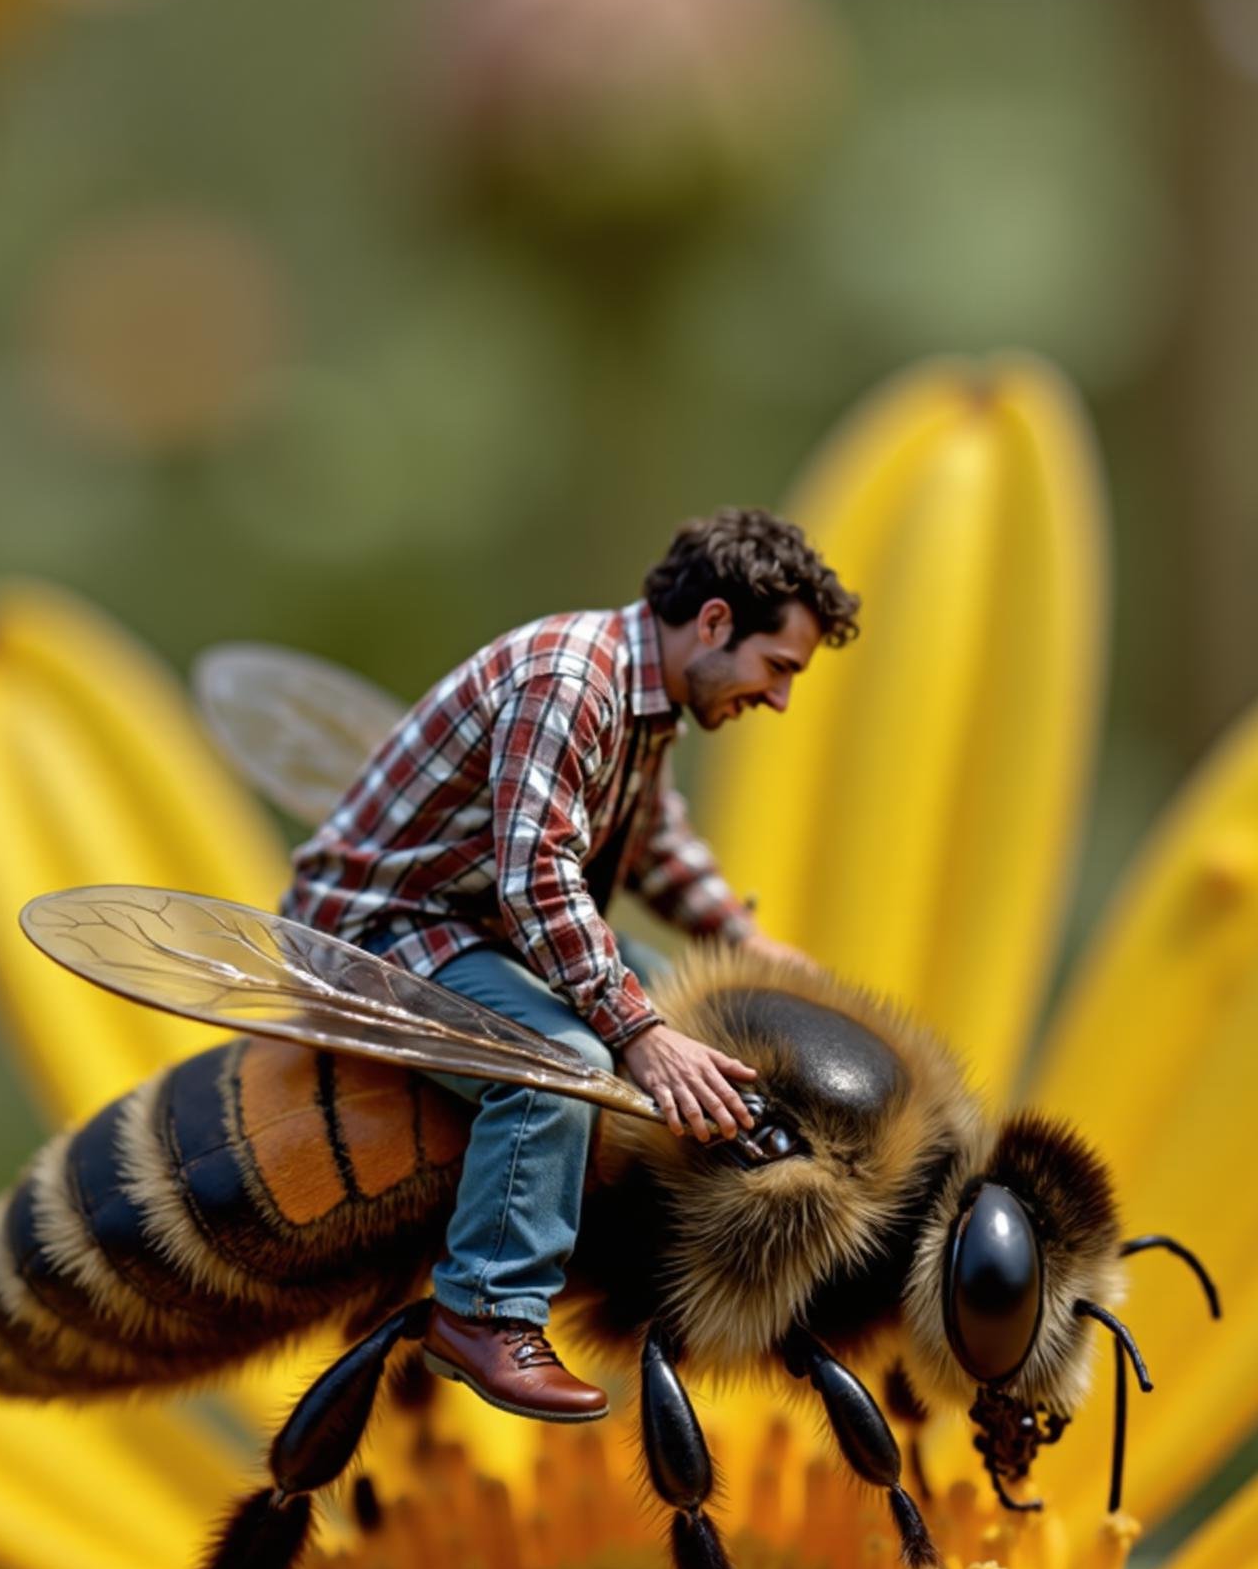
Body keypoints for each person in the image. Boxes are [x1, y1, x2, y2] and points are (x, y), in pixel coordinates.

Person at [283, 506, 860, 1419]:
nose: (781, 698)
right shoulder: (570, 680)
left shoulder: (645, 700)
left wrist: (739, 941)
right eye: (778, 667)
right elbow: (536, 877)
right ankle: (484, 1312)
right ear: (714, 624)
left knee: (680, 1007)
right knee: (566, 1069)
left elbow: (653, 843)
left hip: (474, 921)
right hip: (383, 932)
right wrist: (636, 1034)